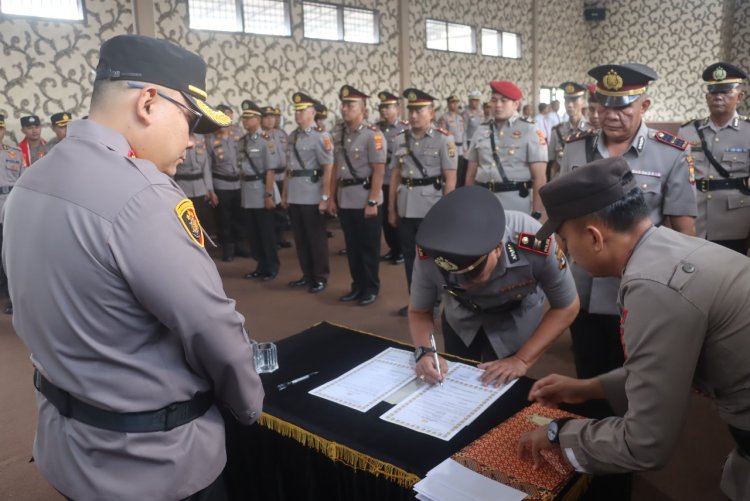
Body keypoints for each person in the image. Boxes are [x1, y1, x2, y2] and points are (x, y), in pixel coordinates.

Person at [2, 34, 264, 500]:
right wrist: (249, 406)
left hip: (68, 447)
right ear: (148, 102)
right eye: (188, 119)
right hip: (153, 464)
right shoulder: (144, 196)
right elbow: (212, 328)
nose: (189, 140)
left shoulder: (32, 179)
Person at [519, 157, 750, 501]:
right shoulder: (670, 248)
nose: (568, 253)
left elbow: (646, 444)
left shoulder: (653, 287)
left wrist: (559, 433)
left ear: (595, 237)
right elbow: (665, 368)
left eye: (566, 239)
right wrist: (587, 388)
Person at [558, 63, 697, 386]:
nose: (610, 114)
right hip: (584, 287)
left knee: (636, 382)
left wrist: (679, 293)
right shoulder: (576, 147)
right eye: (604, 105)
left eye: (622, 107)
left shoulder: (671, 153)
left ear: (644, 105)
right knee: (587, 371)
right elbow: (562, 214)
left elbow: (684, 232)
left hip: (638, 290)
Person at [409, 185, 578, 386]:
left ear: (497, 248)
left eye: (474, 274)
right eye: (457, 277)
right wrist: (425, 352)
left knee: (505, 387)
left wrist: (521, 360)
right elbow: (419, 311)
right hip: (461, 319)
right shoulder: (432, 252)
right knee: (455, 381)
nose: (467, 284)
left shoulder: (533, 239)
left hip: (515, 319)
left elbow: (567, 305)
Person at [388, 88, 457, 317]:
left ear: (431, 112)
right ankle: (416, 302)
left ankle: (437, 300)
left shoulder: (443, 139)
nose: (414, 115)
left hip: (431, 207)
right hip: (406, 205)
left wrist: (446, 212)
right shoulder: (400, 138)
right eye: (412, 110)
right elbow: (396, 175)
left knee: (435, 257)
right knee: (410, 257)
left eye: (420, 110)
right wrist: (391, 208)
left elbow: (450, 179)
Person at [678, 62, 750, 254]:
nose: (718, 96)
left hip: (735, 221)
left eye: (726, 92)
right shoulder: (687, 131)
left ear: (740, 96)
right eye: (713, 91)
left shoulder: (748, 132)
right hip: (695, 218)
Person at [328, 85, 386, 306]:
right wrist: (331, 197)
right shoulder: (339, 133)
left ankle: (370, 288)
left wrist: (372, 201)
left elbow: (379, 171)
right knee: (352, 247)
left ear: (362, 108)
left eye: (350, 105)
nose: (345, 109)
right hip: (345, 198)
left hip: (365, 198)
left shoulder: (373, 135)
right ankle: (357, 286)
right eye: (343, 104)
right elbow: (335, 168)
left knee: (368, 247)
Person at [465, 80, 548, 217]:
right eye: (494, 100)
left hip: (515, 204)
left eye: (504, 101)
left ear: (516, 104)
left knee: (512, 239)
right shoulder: (480, 130)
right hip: (482, 200)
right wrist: (469, 203)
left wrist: (537, 212)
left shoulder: (530, 130)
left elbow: (539, 177)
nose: (497, 105)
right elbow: (471, 175)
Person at [282, 92, 334, 293]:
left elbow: (328, 168)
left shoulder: (321, 136)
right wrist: (285, 194)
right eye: (296, 111)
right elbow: (289, 169)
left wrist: (325, 197)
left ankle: (320, 276)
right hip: (295, 193)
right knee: (300, 238)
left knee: (316, 238)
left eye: (302, 111)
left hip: (312, 194)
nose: (298, 114)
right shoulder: (293, 136)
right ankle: (307, 274)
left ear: (312, 113)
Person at [238, 100, 279, 281]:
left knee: (266, 233)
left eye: (249, 118)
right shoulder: (242, 141)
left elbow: (270, 170)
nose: (245, 122)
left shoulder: (266, 141)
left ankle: (271, 267)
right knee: (253, 233)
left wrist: (268, 195)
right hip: (248, 192)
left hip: (262, 191)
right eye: (244, 118)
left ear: (258, 119)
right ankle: (260, 265)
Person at [207, 104, 249, 261]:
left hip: (238, 183)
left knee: (240, 216)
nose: (229, 120)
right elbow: (208, 167)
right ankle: (228, 248)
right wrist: (210, 190)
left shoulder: (238, 134)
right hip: (221, 184)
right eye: (226, 117)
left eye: (231, 117)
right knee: (224, 218)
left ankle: (240, 245)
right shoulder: (210, 139)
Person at [376, 90, 407, 265]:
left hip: (398, 178)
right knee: (385, 219)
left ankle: (402, 250)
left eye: (387, 107)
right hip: (381, 180)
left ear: (396, 108)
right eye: (381, 108)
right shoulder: (376, 128)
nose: (384, 111)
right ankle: (392, 248)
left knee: (397, 215)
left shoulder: (405, 129)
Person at [0, 113, 23, 315]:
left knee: (10, 255)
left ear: (3, 131)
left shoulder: (14, 154)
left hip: (10, 208)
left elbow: (24, 183)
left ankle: (10, 297)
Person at [262, 105, 292, 249]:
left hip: (283, 175)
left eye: (272, 117)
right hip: (270, 177)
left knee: (282, 208)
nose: (270, 120)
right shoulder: (261, 136)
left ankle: (281, 236)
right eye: (266, 117)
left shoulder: (281, 134)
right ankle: (272, 238)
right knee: (271, 208)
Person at [174, 131, 216, 231]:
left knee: (202, 223)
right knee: (187, 226)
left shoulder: (200, 137)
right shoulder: (176, 136)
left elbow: (206, 166)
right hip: (182, 188)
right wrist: (173, 190)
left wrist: (209, 189)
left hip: (201, 189)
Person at [547, 82, 590, 180]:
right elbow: (552, 162)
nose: (570, 105)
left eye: (574, 100)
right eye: (567, 100)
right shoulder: (557, 131)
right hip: (561, 183)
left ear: (583, 101)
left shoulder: (591, 130)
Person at [438, 94, 467, 185]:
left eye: (456, 102)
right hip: (451, 148)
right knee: (451, 173)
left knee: (460, 173)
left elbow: (464, 133)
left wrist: (465, 147)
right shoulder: (444, 118)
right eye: (452, 102)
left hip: (460, 149)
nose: (454, 105)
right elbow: (442, 135)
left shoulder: (460, 118)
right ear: (448, 104)